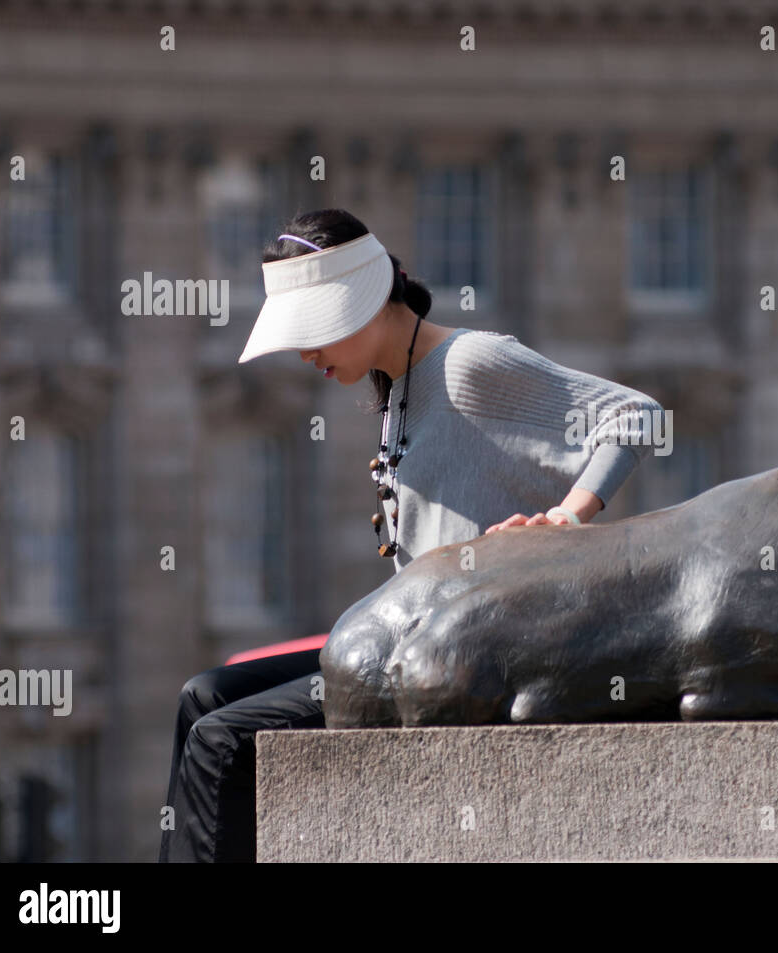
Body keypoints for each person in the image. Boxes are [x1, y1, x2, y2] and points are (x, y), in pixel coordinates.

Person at [159, 208, 662, 861]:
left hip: (463, 649)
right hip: (407, 634)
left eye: (313, 332)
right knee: (202, 696)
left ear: (364, 304)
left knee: (222, 739)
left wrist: (566, 517)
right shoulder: (398, 389)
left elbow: (636, 416)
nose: (307, 353)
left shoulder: (469, 363)